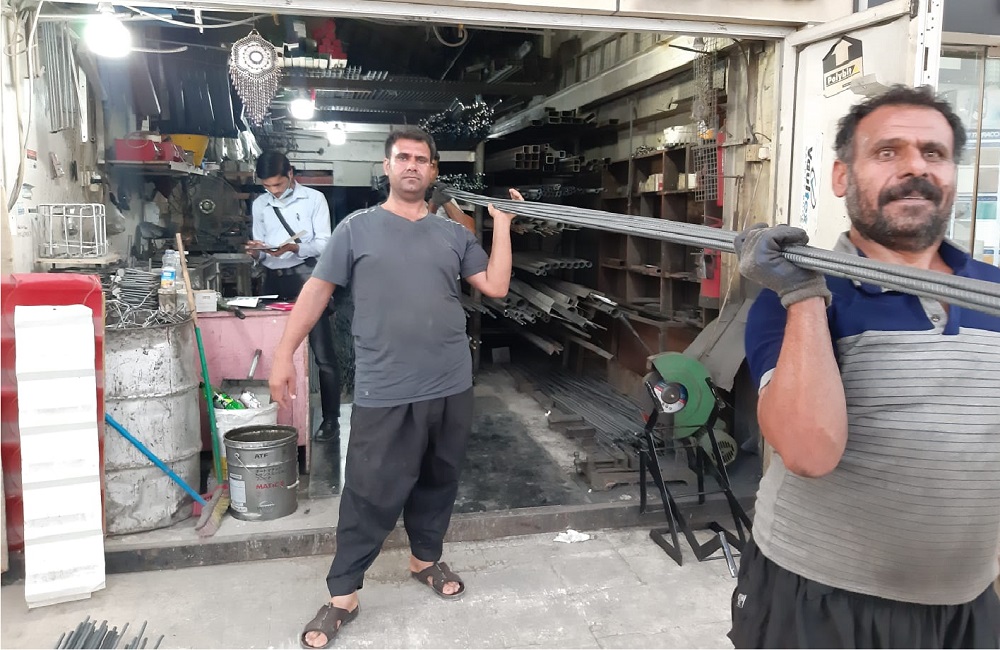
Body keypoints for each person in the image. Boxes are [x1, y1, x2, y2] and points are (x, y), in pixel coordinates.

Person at [732, 85, 1000, 648]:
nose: (915, 167)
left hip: (965, 604)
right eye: (887, 152)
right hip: (818, 601)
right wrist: (803, 296)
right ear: (841, 177)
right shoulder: (795, 296)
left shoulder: (992, 292)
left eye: (934, 153)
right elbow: (808, 453)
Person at [267, 126, 521, 649]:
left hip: (450, 381)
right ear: (386, 167)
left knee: (438, 478)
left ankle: (425, 559)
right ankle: (343, 595)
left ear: (432, 171)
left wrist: (502, 226)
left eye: (421, 159)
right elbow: (316, 293)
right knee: (369, 488)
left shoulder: (453, 234)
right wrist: (283, 354)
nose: (412, 166)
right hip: (385, 385)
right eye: (402, 157)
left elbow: (495, 285)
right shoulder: (356, 229)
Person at [246, 152, 342, 443]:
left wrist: (294, 248)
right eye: (267, 186)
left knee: (323, 354)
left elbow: (325, 245)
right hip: (272, 280)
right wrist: (256, 252)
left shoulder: (314, 199)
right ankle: (275, 418)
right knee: (273, 350)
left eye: (277, 184)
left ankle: (331, 420)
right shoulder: (260, 204)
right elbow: (263, 250)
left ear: (290, 174)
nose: (273, 191)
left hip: (306, 280)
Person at [427, 152, 476, 233]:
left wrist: (446, 201)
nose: (427, 171)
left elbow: (470, 231)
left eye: (432, 166)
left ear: (437, 172)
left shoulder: (439, 193)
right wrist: (433, 205)